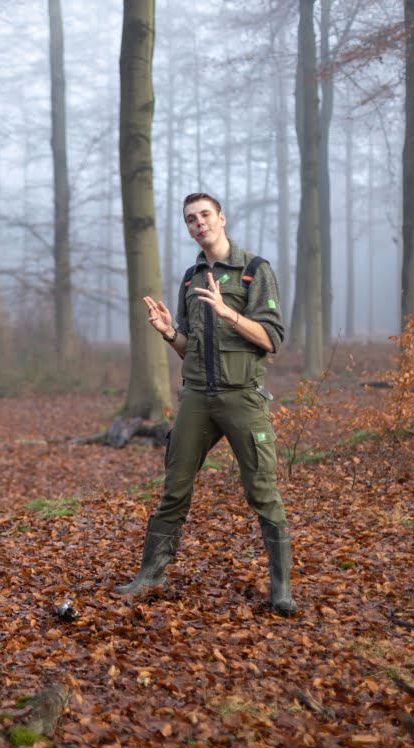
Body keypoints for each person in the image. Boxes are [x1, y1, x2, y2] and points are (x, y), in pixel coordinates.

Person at [114, 192, 296, 615]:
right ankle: (149, 576)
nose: (199, 224)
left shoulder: (254, 271)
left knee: (262, 491)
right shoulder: (190, 278)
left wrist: (228, 313)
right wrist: (167, 333)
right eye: (191, 219)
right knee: (174, 489)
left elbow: (272, 340)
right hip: (197, 398)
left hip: (242, 398)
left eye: (205, 215)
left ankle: (282, 588)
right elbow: (189, 349)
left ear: (222, 218)